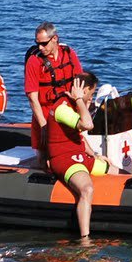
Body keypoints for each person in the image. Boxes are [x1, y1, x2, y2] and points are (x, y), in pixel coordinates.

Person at [46, 71, 109, 237]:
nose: (92, 97)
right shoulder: (62, 108)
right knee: (87, 189)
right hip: (64, 160)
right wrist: (80, 99)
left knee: (117, 171)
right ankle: (85, 238)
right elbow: (88, 125)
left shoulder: (73, 105)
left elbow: (78, 137)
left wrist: (95, 154)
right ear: (84, 90)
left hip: (80, 156)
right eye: (92, 93)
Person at [24, 22, 83, 159]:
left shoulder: (69, 53)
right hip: (45, 116)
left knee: (73, 152)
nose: (40, 47)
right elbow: (33, 98)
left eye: (44, 43)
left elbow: (80, 84)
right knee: (44, 159)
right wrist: (43, 126)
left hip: (68, 114)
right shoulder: (34, 61)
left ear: (55, 39)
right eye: (38, 43)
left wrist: (82, 110)